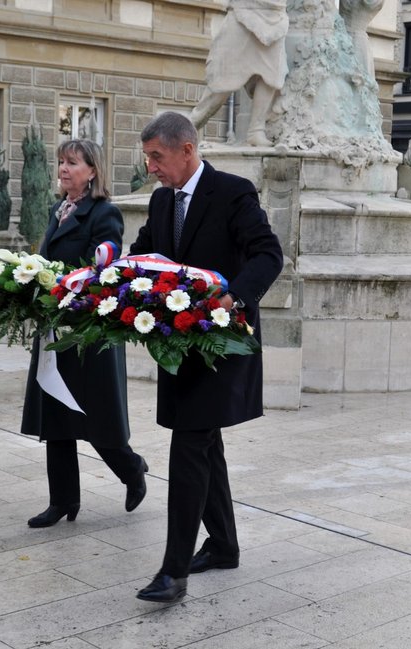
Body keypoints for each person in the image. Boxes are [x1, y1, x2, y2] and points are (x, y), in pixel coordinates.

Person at [130, 112, 283, 602]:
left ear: (187, 150)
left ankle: (174, 572)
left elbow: (268, 254)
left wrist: (234, 299)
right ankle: (223, 546)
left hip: (222, 344)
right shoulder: (160, 202)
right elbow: (144, 257)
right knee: (203, 441)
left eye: (157, 156)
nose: (151, 166)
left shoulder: (233, 192)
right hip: (179, 347)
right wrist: (107, 271)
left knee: (190, 445)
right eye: (147, 156)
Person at [20, 139, 148, 528]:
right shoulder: (56, 210)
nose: (63, 168)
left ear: (92, 171)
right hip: (55, 329)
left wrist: (65, 282)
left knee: (96, 418)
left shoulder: (104, 213)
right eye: (60, 161)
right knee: (56, 416)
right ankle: (62, 501)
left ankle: (132, 470)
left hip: (88, 333)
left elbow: (104, 265)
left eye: (72, 162)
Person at [189, 0, 288, 146]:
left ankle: (256, 130)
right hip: (245, 10)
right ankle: (187, 127)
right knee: (223, 80)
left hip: (275, 14)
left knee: (272, 74)